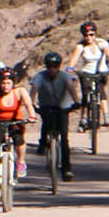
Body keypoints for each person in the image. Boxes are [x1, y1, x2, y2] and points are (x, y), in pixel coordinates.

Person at [0, 66, 38, 197]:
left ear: (13, 82)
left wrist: (32, 115)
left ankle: (20, 162)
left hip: (16, 121)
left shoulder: (20, 91)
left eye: (8, 83)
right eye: (3, 83)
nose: (5, 86)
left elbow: (28, 104)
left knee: (19, 141)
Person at [31, 52, 82, 181]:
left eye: (55, 66)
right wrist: (32, 103)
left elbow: (71, 89)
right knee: (46, 123)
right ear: (46, 66)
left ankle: (67, 169)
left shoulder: (65, 77)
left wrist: (76, 102)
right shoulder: (40, 77)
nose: (52, 69)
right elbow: (34, 90)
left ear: (59, 66)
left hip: (63, 108)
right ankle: (42, 143)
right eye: (49, 66)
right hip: (46, 106)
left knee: (64, 139)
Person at [66, 19, 109, 129]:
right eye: (86, 35)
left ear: (95, 34)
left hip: (100, 71)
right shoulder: (81, 46)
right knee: (86, 94)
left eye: (91, 34)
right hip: (86, 72)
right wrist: (70, 68)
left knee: (101, 92)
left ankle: (106, 116)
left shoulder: (102, 44)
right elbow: (74, 59)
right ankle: (83, 118)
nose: (89, 37)